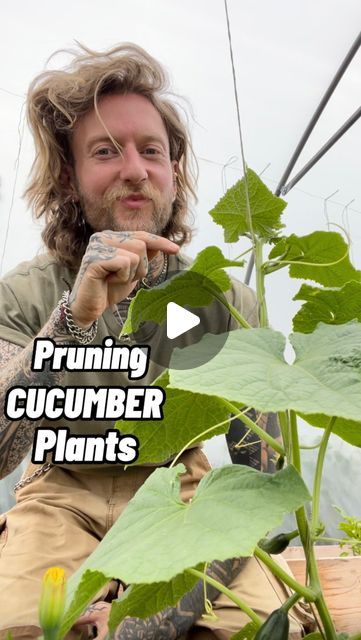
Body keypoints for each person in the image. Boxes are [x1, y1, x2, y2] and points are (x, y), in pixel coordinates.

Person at [0, 43, 314, 639]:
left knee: (247, 629)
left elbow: (265, 477)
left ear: (174, 171)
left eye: (152, 151)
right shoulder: (24, 295)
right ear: (69, 176)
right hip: (59, 491)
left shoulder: (224, 304)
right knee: (25, 627)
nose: (136, 169)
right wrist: (73, 318)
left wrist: (157, 617)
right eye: (105, 152)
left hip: (184, 491)